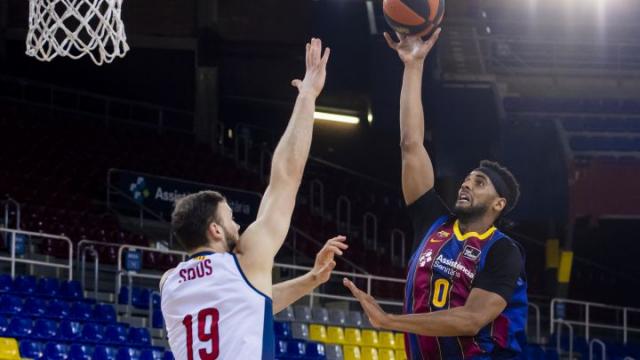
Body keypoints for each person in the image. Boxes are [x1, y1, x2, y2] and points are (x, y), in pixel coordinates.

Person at [343, 29, 528, 359]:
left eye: (480, 182)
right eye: (468, 178)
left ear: (498, 204)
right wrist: (413, 66)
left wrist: (391, 320)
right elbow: (411, 146)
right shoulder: (433, 222)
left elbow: (471, 319)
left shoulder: (503, 252)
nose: (467, 184)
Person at [160, 38, 347, 360]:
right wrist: (307, 97)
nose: (238, 224)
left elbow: (252, 303)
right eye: (230, 218)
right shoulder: (247, 259)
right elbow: (286, 176)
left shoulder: (170, 283)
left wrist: (311, 280)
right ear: (215, 231)